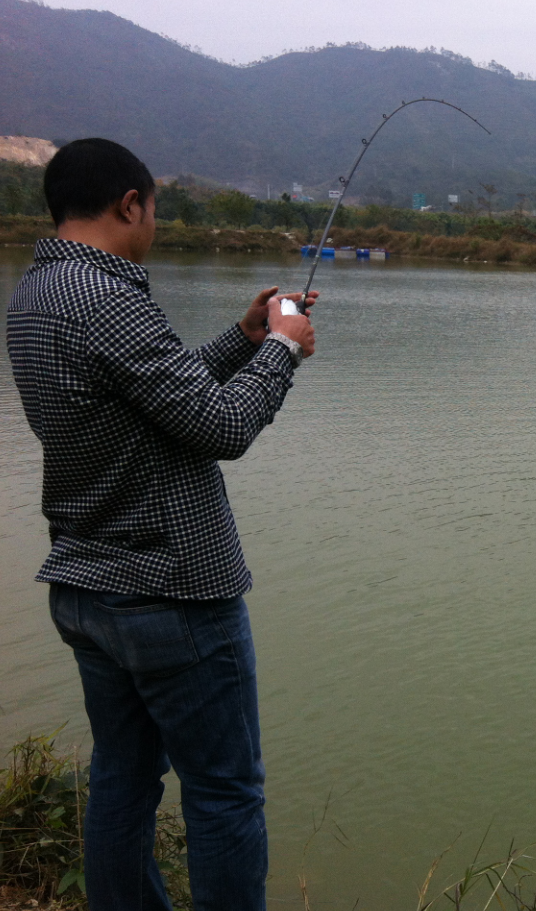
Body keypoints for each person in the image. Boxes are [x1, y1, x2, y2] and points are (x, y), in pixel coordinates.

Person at [6, 138, 318, 911]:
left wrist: (244, 340)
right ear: (129, 205)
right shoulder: (108, 298)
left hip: (89, 585)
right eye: (154, 208)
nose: (154, 221)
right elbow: (222, 428)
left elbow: (160, 400)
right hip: (170, 593)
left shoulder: (35, 291)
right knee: (224, 791)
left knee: (123, 777)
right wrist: (284, 350)